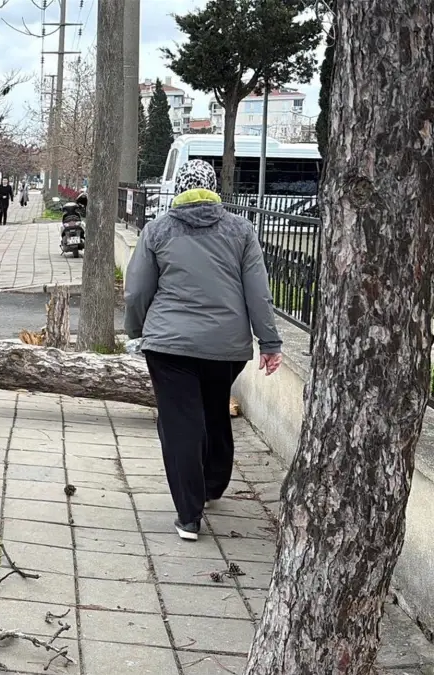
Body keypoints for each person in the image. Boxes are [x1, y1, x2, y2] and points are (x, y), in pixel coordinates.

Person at [124, 159, 283, 542]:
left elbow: (137, 290)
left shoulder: (158, 229)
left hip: (169, 346)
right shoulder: (241, 230)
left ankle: (189, 515)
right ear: (213, 189)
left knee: (180, 423)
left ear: (179, 188)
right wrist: (269, 342)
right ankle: (213, 484)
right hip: (225, 347)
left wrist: (136, 332)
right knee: (214, 410)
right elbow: (258, 292)